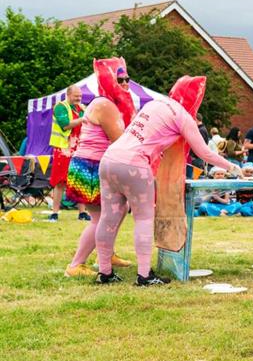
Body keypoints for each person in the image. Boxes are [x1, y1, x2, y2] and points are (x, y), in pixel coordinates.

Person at [95, 76, 241, 286]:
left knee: (108, 218)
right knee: (144, 218)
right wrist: (232, 167)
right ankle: (144, 275)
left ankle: (104, 272)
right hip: (135, 166)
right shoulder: (183, 117)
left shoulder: (154, 103)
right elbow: (205, 153)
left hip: (109, 160)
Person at [63, 59, 136, 277]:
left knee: (120, 208)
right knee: (100, 218)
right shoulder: (105, 105)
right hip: (91, 167)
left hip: (97, 164)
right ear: (108, 81)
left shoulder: (110, 103)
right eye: (120, 80)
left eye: (127, 79)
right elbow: (120, 141)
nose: (126, 83)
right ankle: (75, 265)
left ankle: (107, 253)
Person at [48, 84, 88, 222]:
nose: (79, 98)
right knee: (60, 181)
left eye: (80, 96)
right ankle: (55, 213)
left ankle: (82, 213)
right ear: (68, 95)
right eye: (76, 96)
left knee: (80, 181)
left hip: (79, 148)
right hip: (63, 149)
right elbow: (65, 125)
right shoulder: (60, 107)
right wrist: (83, 119)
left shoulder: (82, 108)